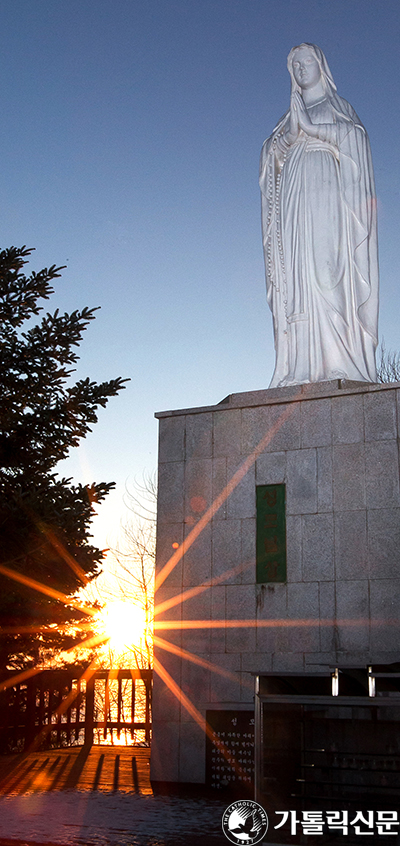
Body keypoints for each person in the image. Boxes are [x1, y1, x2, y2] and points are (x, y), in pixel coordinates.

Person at [260, 44, 379, 388]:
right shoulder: (288, 116)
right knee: (298, 278)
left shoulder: (338, 107)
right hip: (294, 197)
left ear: (320, 66)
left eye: (306, 61)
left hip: (328, 194)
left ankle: (339, 358)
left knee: (328, 271)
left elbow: (356, 140)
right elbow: (270, 156)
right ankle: (300, 365)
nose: (300, 69)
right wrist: (283, 141)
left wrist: (313, 130)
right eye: (293, 65)